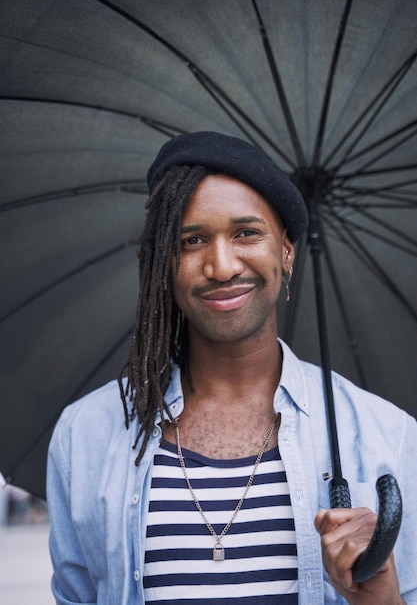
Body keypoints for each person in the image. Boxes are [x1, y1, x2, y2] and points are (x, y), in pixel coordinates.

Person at [47, 131, 417, 605]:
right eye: (192, 240)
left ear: (286, 251)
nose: (221, 266)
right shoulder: (86, 435)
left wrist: (377, 596)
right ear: (165, 264)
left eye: (246, 232)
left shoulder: (386, 435)